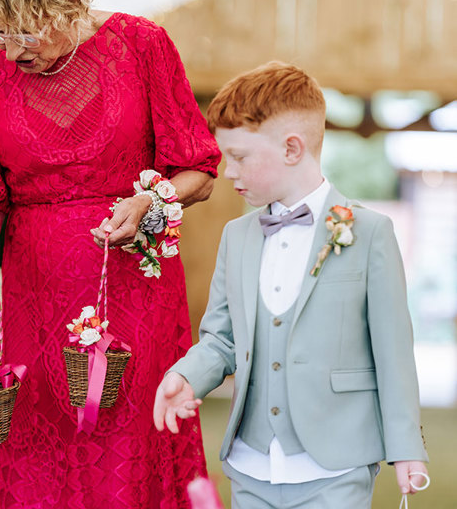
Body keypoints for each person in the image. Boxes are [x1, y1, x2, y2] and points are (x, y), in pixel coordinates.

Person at [0, 0, 221, 507]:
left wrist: (150, 201)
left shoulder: (142, 46)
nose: (8, 52)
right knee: (37, 434)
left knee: (133, 434)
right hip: (38, 293)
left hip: (136, 288)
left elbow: (198, 171)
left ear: (62, 7)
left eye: (23, 33)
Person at [153, 62, 429, 509]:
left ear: (292, 148)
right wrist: (188, 376)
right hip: (251, 466)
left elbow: (392, 352)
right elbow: (221, 338)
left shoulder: (370, 232)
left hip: (335, 468)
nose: (226, 171)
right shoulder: (236, 236)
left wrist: (407, 451)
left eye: (239, 156)